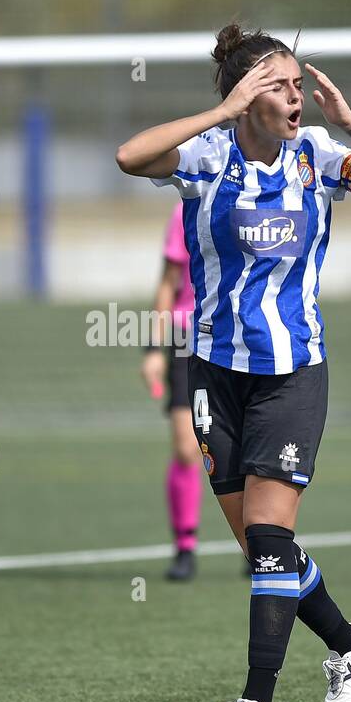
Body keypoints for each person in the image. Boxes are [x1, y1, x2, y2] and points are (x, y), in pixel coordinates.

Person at [116, 23, 351, 702]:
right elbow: (129, 156)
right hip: (213, 374)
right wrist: (222, 112)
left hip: (292, 375)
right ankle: (349, 644)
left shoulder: (318, 158)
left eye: (298, 85)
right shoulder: (206, 158)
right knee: (268, 551)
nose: (297, 98)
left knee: (267, 539)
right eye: (281, 87)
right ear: (247, 96)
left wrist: (349, 122)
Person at [140, 203, 204, 580]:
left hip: (240, 338)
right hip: (186, 340)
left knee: (249, 449)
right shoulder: (185, 211)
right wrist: (153, 351)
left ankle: (258, 543)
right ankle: (185, 548)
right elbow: (167, 283)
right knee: (185, 447)